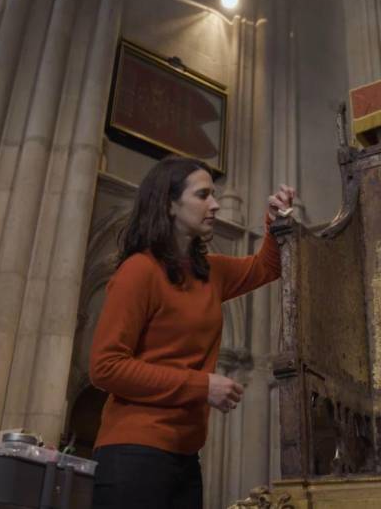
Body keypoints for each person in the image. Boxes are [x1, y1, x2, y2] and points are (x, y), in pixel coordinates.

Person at [89, 156, 295, 509]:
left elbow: (267, 267)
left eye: (214, 195)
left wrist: (275, 222)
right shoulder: (139, 271)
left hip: (185, 457)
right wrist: (202, 385)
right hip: (133, 454)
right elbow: (105, 367)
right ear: (170, 204)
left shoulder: (209, 271)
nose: (215, 205)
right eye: (203, 195)